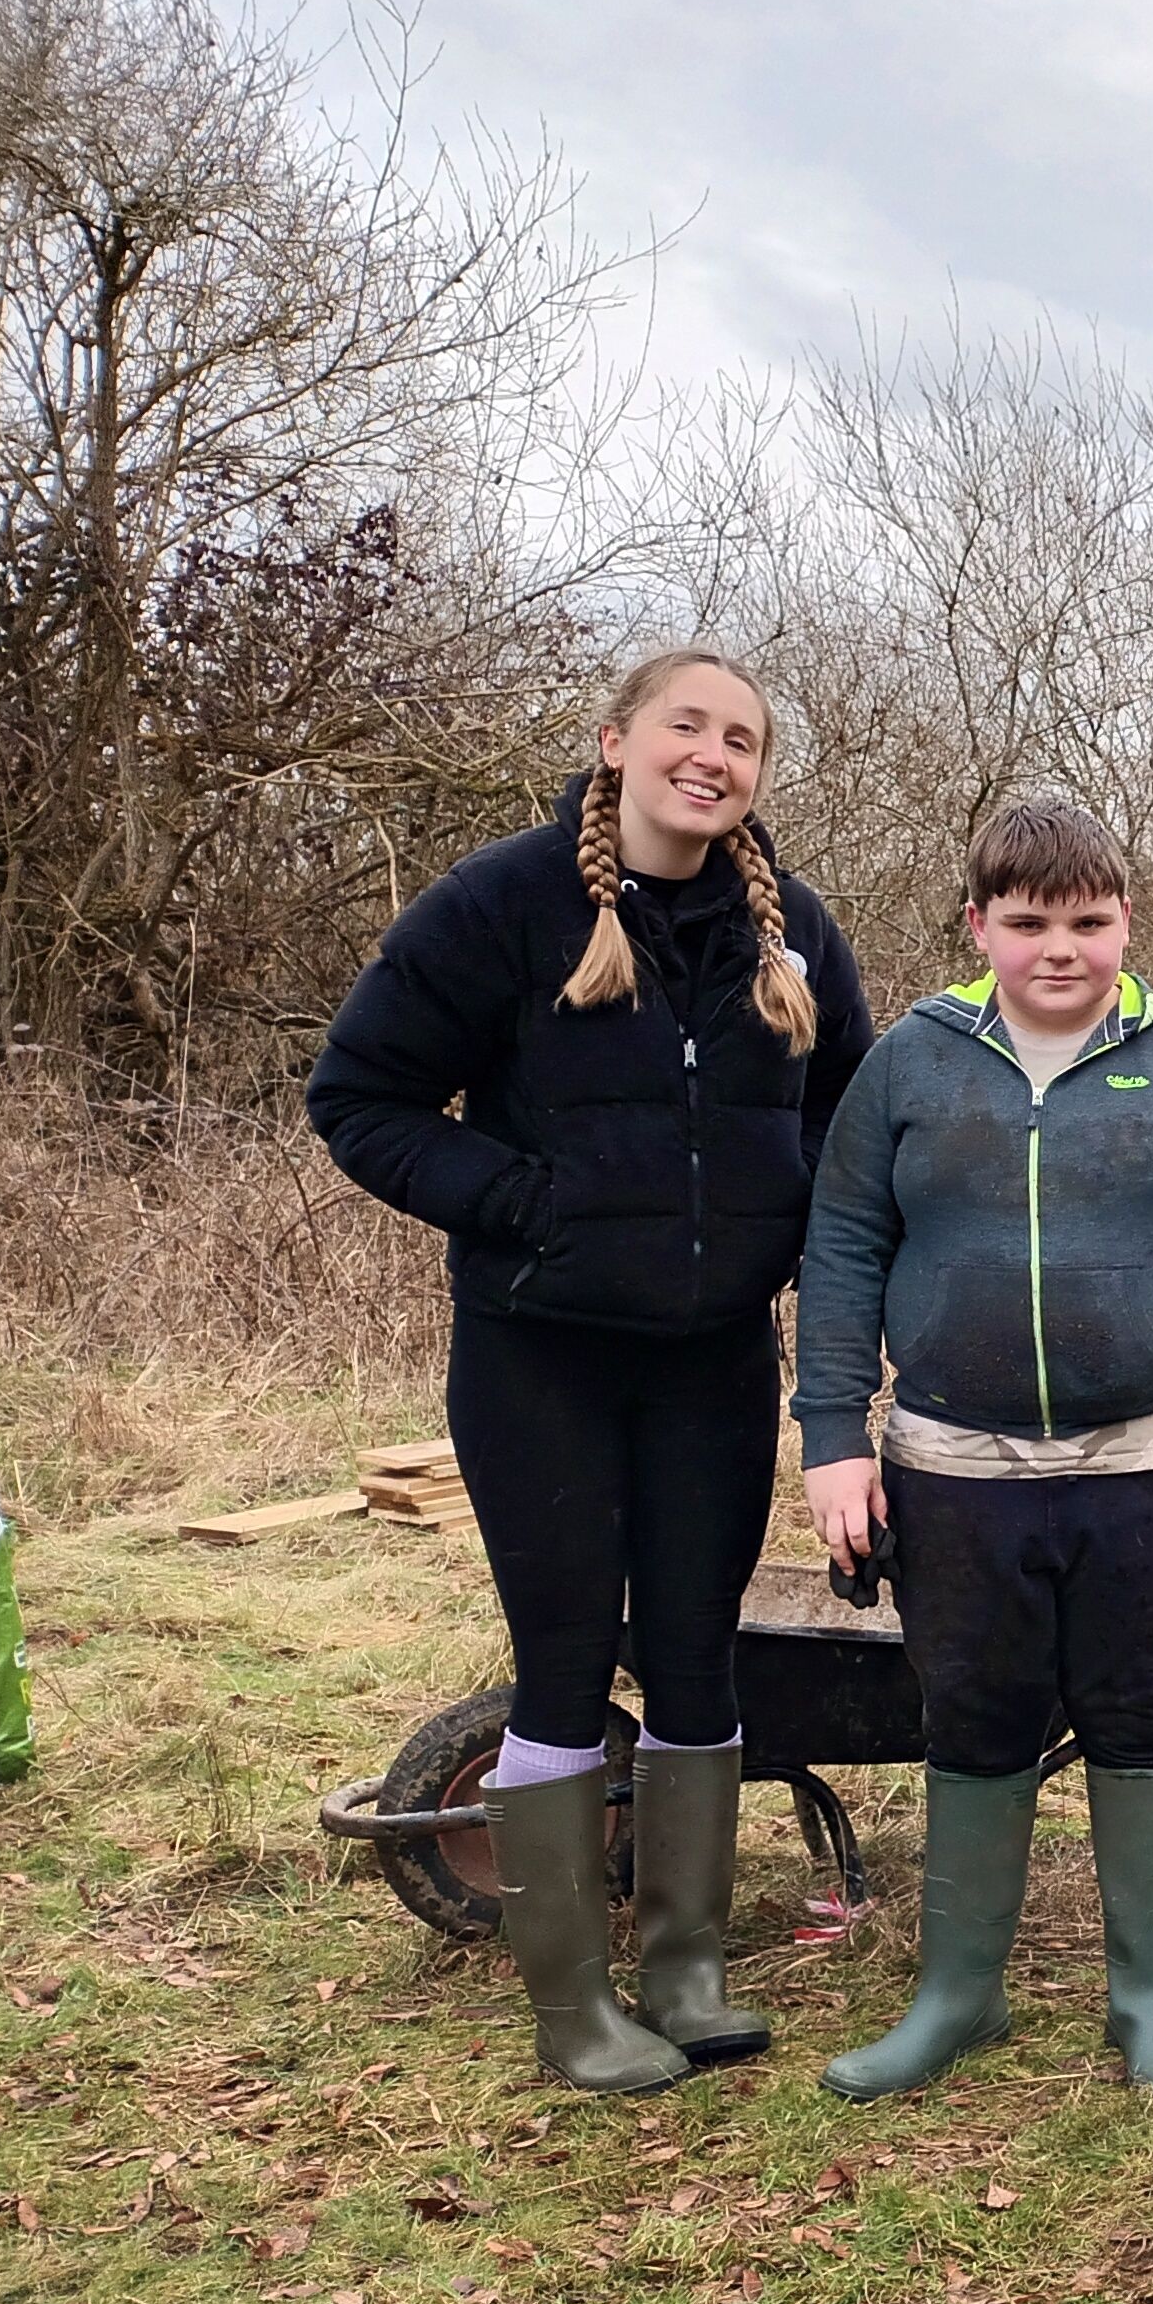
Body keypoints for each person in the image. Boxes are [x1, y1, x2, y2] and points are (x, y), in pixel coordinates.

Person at [309, 649, 873, 2094]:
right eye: (689, 725)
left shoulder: (789, 929)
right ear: (619, 741)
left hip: (712, 1365)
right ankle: (572, 2004)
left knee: (696, 1657)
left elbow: (850, 1135)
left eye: (741, 739)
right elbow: (360, 1099)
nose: (715, 755)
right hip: (539, 1359)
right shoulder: (501, 905)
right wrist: (523, 1204)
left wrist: (806, 1260)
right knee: (565, 1666)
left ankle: (684, 1969)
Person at [795, 798, 1153, 2101]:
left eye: (1088, 920)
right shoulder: (913, 1062)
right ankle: (959, 1998)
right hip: (953, 1468)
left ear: (1126, 922)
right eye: (1028, 923)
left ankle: (1148, 2004)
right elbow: (845, 1248)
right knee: (973, 1717)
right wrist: (831, 1441)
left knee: (1140, 1715)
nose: (1060, 948)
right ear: (980, 927)